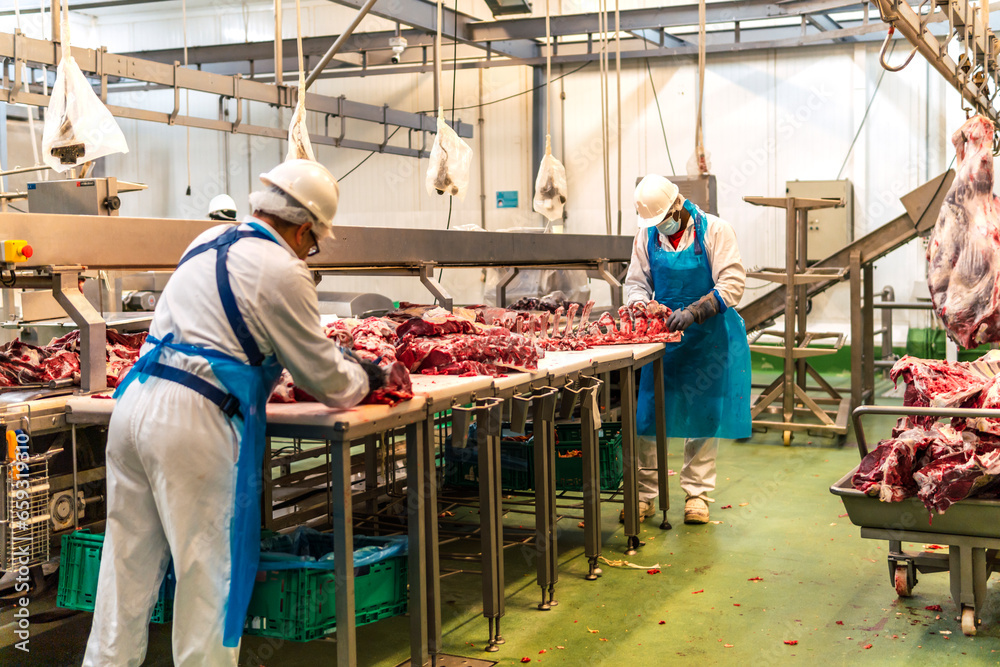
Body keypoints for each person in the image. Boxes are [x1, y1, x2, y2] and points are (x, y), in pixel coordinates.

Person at [83, 159, 383, 666]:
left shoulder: (205, 241)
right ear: (304, 228)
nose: (310, 252)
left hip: (134, 405)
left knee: (124, 570)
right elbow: (323, 378)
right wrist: (366, 377)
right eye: (313, 243)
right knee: (208, 579)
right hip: (192, 421)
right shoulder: (284, 269)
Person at [624, 174, 751, 525]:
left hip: (707, 339)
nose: (661, 226)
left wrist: (696, 311)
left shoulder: (715, 230)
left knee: (703, 414)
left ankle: (697, 495)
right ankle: (644, 494)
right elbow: (636, 283)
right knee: (649, 417)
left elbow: (733, 283)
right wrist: (641, 306)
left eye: (664, 219)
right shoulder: (647, 235)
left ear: (678, 207)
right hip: (662, 341)